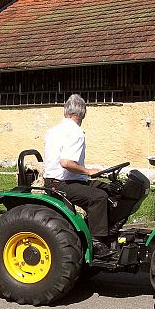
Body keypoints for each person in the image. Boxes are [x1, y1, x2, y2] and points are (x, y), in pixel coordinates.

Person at [43, 94, 114, 258]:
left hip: (58, 180)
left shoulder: (53, 130)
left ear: (65, 111)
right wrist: (88, 171)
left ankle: (108, 231)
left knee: (111, 189)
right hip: (61, 183)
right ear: (83, 113)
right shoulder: (76, 132)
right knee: (99, 197)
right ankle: (96, 241)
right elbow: (66, 163)